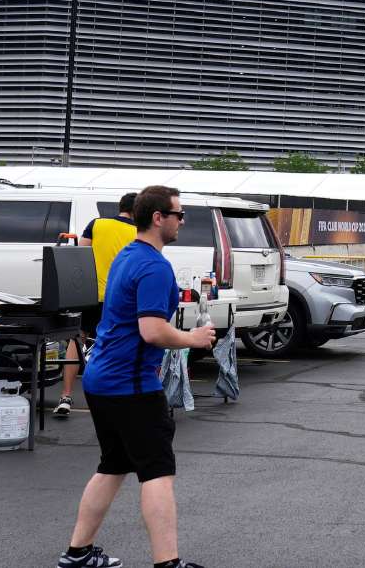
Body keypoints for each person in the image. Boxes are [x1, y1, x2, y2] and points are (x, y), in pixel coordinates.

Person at [58, 186, 215, 568]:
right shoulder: (154, 266)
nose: (182, 221)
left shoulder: (128, 256)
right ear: (158, 218)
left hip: (102, 380)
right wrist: (193, 339)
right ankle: (168, 563)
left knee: (112, 466)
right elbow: (151, 330)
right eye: (178, 214)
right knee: (158, 471)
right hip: (130, 386)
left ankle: (77, 554)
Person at [55, 192, 138, 418]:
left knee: (78, 338)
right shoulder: (139, 232)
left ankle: (66, 396)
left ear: (120, 207)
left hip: (92, 295)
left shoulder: (97, 224)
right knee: (115, 343)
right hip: (119, 299)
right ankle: (113, 398)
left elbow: (79, 256)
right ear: (137, 210)